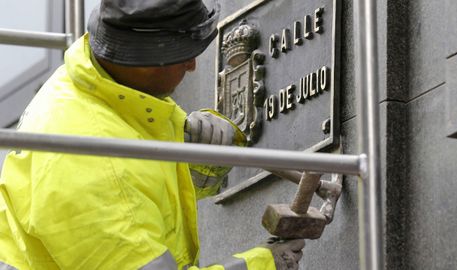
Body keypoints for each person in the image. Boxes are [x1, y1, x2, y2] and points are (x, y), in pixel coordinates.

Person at [0, 0, 305, 269]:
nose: (193, 65)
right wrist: (265, 264)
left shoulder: (95, 79)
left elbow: (137, 190)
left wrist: (195, 160)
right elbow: (118, 191)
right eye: (181, 54)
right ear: (141, 60)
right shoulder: (92, 171)